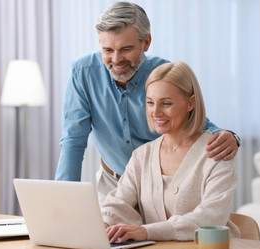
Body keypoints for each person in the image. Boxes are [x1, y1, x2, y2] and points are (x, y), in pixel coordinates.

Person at [55, 2, 241, 204]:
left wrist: (230, 136)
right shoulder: (83, 72)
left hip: (160, 187)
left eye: (126, 49)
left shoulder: (163, 73)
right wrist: (64, 200)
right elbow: (74, 140)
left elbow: (196, 122)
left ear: (146, 42)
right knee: (103, 235)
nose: (116, 60)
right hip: (113, 184)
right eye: (107, 50)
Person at [102, 61, 240, 242]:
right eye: (150, 103)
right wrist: (103, 224)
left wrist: (145, 232)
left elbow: (209, 217)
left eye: (166, 103)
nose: (156, 112)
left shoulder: (216, 152)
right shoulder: (142, 155)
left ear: (191, 103)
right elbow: (119, 203)